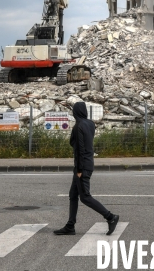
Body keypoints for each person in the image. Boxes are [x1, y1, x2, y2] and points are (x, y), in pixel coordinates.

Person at [54, 101, 119, 236]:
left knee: (85, 197)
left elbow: (79, 149)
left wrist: (79, 170)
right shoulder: (90, 124)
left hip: (82, 166)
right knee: (73, 195)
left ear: (76, 113)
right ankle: (70, 225)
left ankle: (110, 217)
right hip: (88, 163)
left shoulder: (78, 127)